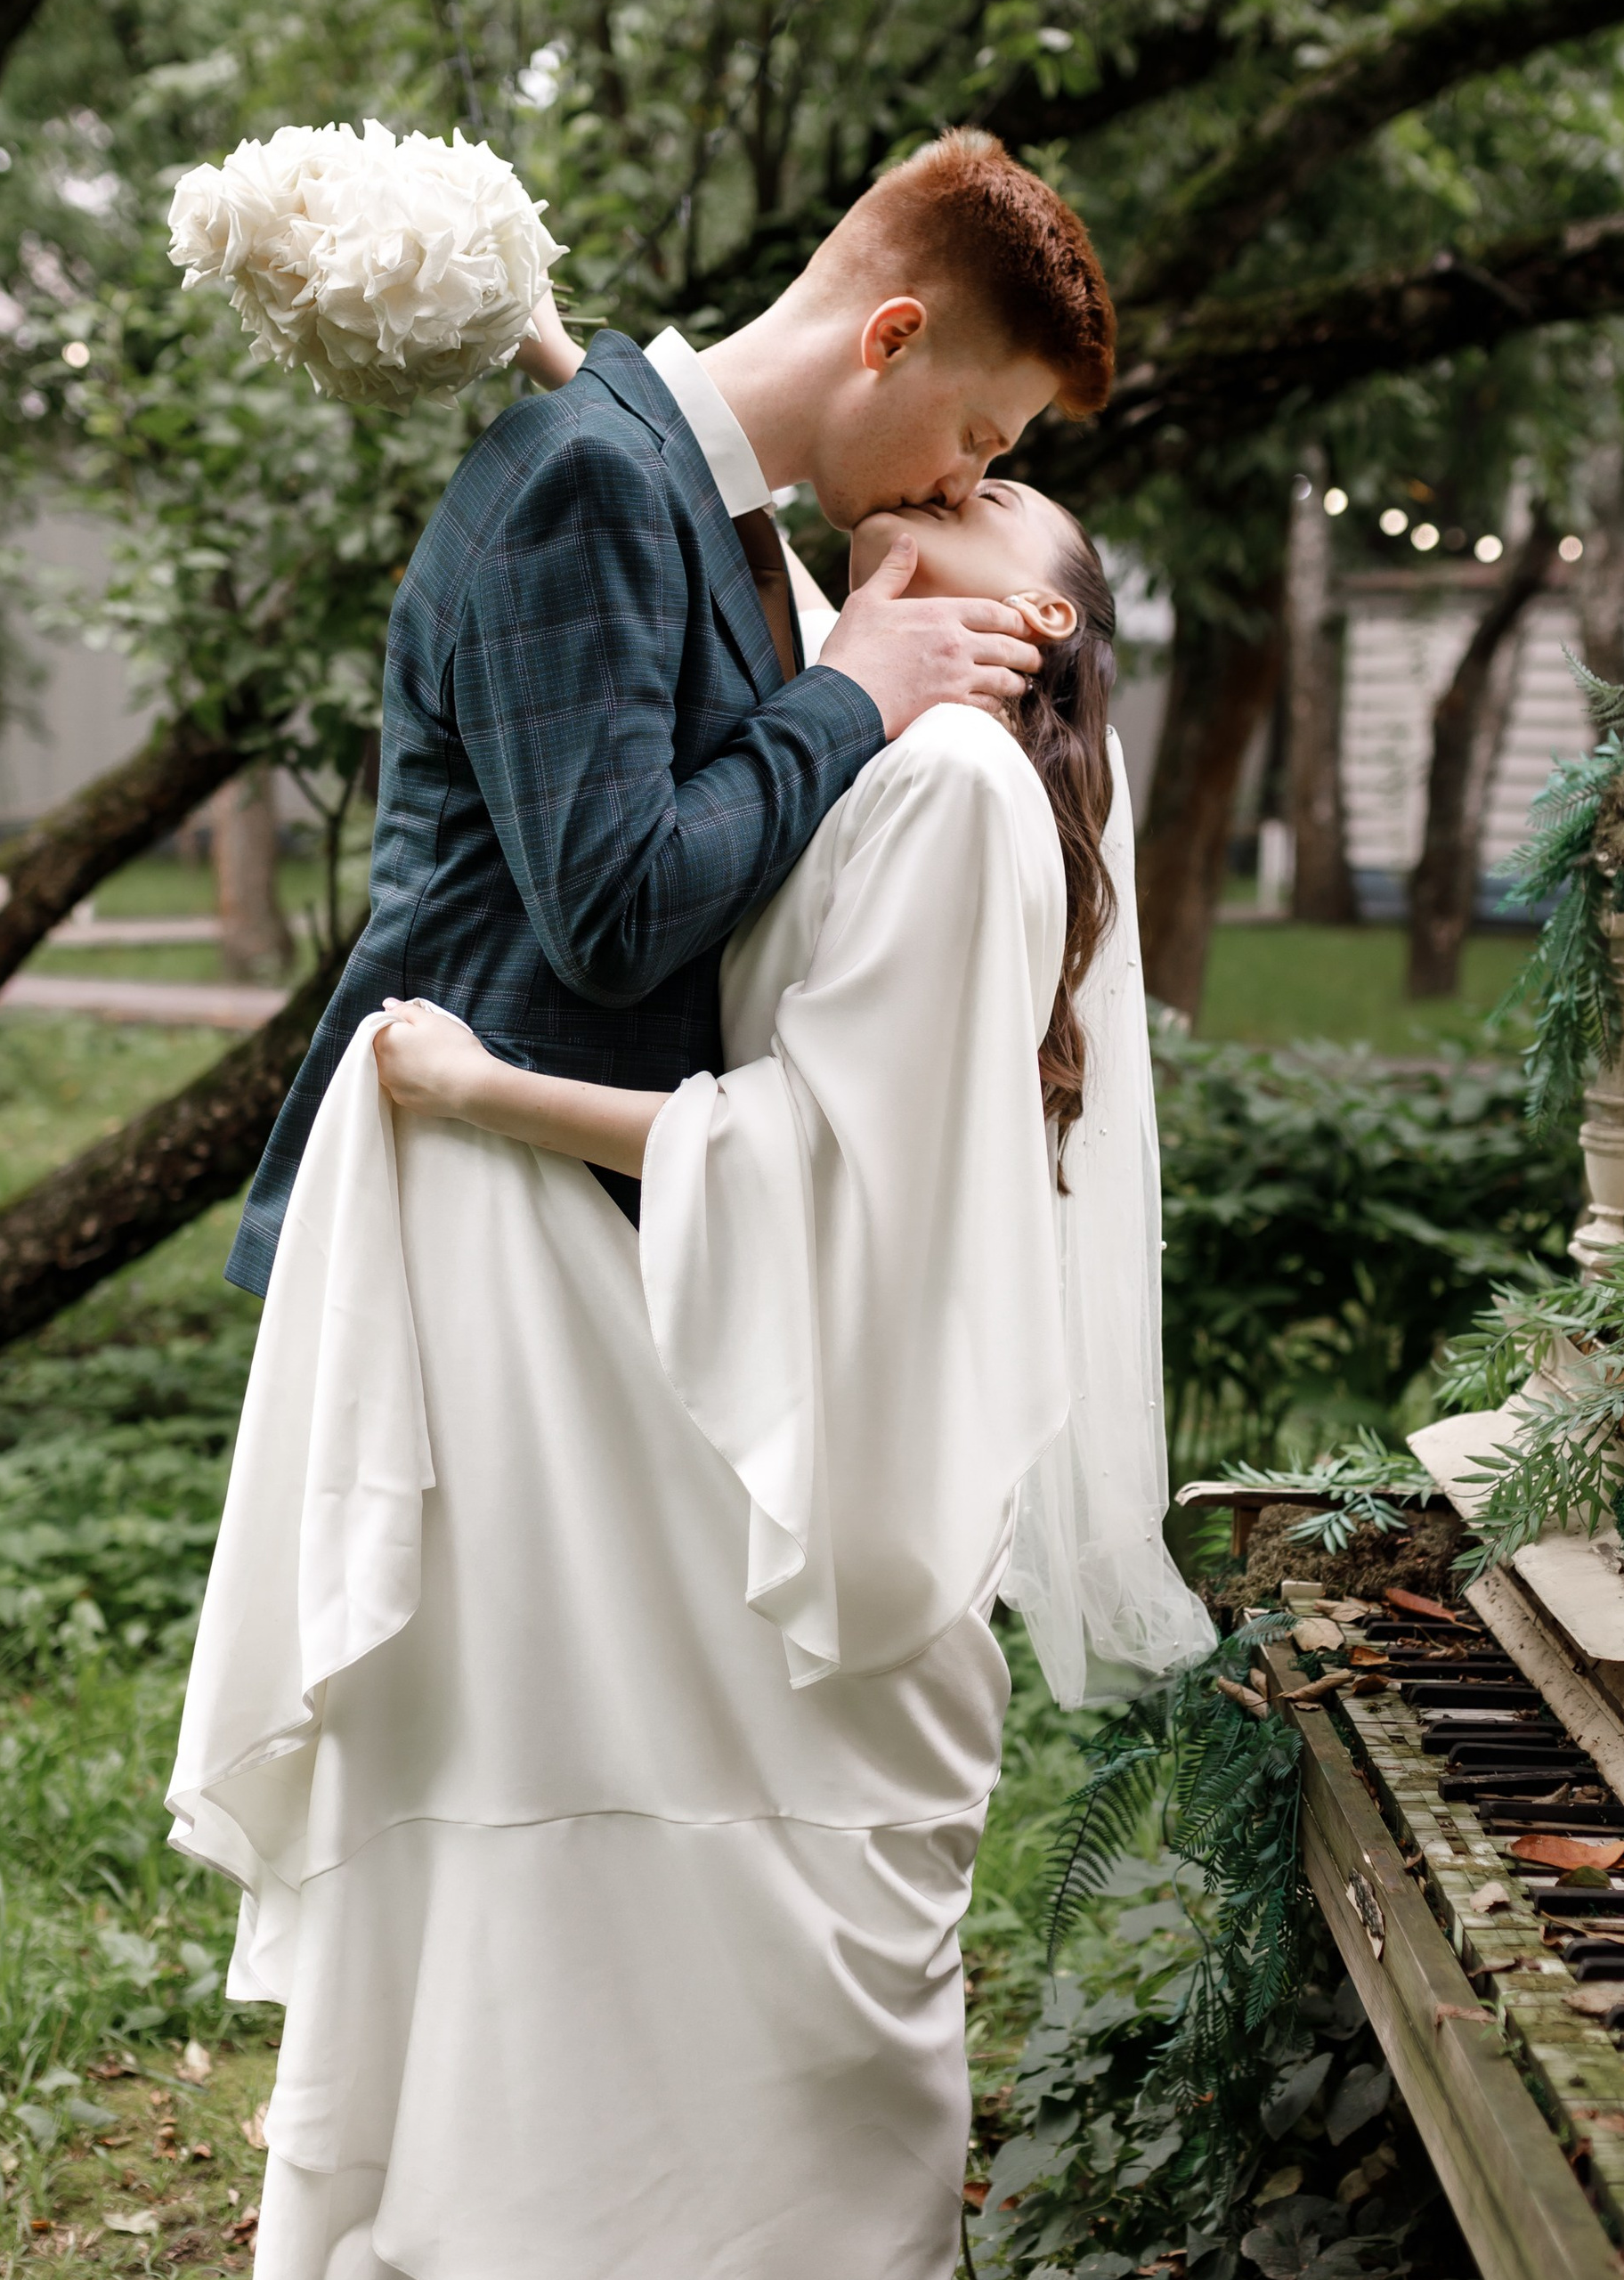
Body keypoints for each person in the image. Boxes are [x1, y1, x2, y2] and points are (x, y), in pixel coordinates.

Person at [169, 476, 1215, 2279]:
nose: (948, 474)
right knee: (590, 1836)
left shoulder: (963, 792)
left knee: (727, 1902)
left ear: (1040, 616)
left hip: (843, 1430)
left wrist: (486, 1091)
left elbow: (813, 1158)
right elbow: (729, 546)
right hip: (767, 1382)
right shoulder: (879, 730)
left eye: (991, 487)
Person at [221, 128, 1116, 1291]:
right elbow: (613, 917)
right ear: (893, 336)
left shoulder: (690, 498)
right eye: (977, 438)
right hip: (470, 1236)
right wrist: (853, 692)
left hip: (565, 1230)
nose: (959, 483)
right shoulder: (596, 479)